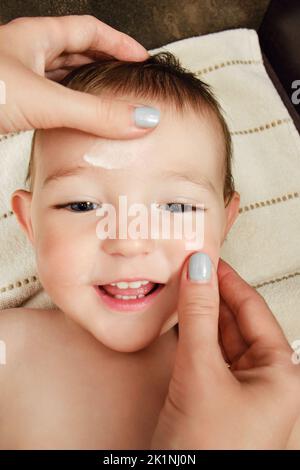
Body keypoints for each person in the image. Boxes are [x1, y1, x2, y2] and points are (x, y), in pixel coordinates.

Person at [0, 15, 299, 450]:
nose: (129, 241)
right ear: (30, 222)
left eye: (177, 207)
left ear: (225, 223)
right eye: (82, 205)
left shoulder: (265, 393)